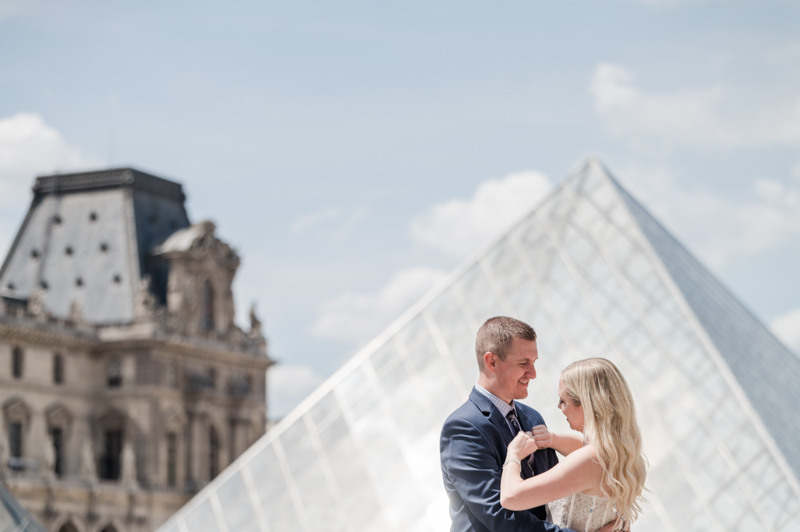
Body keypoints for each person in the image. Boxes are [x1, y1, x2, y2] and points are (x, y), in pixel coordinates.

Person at [440, 317, 616, 532]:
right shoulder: (462, 429)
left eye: (534, 362)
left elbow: (556, 495)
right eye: (524, 363)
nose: (533, 373)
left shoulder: (532, 417)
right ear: (492, 361)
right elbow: (501, 517)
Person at [500, 358, 647, 532]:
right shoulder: (626, 455)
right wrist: (553, 439)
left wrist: (513, 455)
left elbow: (511, 497)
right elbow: (584, 448)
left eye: (563, 401)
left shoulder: (591, 460)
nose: (559, 406)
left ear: (586, 404)